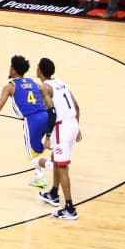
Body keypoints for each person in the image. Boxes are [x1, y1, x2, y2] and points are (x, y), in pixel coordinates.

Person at [0, 55, 53, 188]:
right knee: (36, 150)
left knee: (32, 157)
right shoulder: (34, 83)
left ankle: (53, 165)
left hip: (32, 120)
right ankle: (39, 177)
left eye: (10, 67)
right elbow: (47, 100)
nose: (9, 69)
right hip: (45, 116)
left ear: (14, 70)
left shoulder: (10, 86)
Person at [35, 57, 82, 220]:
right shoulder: (61, 83)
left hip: (61, 127)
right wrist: (78, 127)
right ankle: (54, 193)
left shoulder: (43, 88)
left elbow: (52, 113)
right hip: (72, 123)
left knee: (62, 166)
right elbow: (76, 105)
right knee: (56, 158)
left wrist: (47, 137)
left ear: (40, 70)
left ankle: (70, 208)